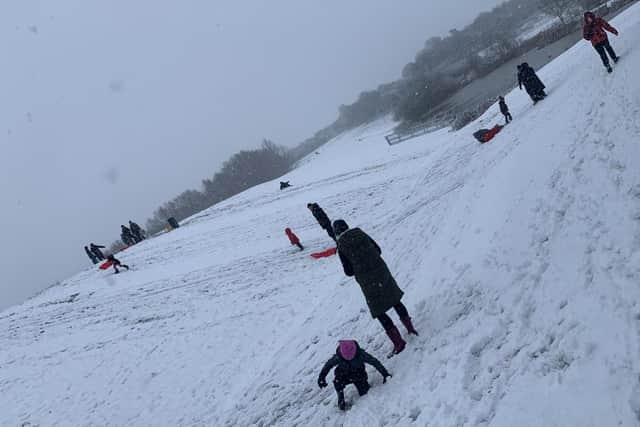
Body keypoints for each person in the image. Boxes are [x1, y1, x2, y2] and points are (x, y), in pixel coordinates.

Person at [333, 219, 418, 356]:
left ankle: (399, 343)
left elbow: (348, 271)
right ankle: (410, 328)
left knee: (379, 311)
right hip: (381, 272)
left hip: (368, 282)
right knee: (395, 300)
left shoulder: (341, 246)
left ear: (336, 232)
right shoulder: (360, 233)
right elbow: (378, 250)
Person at [318, 340, 391, 411]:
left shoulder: (361, 354)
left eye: (351, 357)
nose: (349, 359)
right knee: (337, 382)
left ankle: (363, 387)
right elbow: (328, 365)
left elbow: (374, 362)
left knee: (364, 393)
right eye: (346, 358)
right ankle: (341, 399)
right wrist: (322, 377)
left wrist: (385, 374)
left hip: (358, 375)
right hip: (343, 375)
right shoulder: (338, 357)